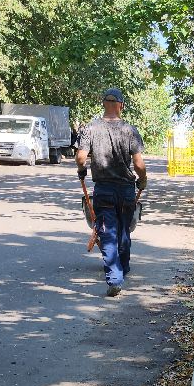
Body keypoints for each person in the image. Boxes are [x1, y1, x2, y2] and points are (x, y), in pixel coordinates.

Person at [76, 88, 147, 297]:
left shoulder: (90, 128)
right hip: (126, 190)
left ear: (103, 104)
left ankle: (115, 279)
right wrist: (142, 181)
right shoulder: (130, 130)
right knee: (124, 231)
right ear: (121, 105)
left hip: (104, 190)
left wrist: (82, 170)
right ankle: (122, 269)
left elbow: (81, 158)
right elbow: (139, 163)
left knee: (107, 233)